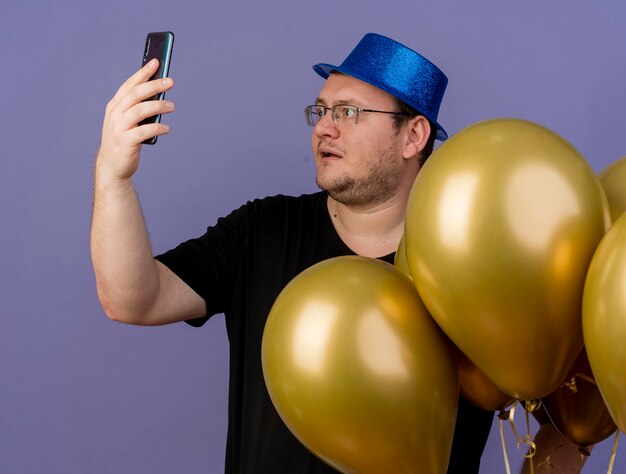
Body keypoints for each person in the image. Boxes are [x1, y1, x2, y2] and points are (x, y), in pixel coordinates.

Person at [91, 32, 577, 473]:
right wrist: (113, 177)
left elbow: (565, 420)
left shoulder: (476, 262)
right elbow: (133, 298)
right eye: (320, 111)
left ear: (414, 136)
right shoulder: (264, 230)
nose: (323, 128)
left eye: (348, 112)